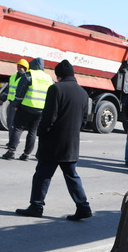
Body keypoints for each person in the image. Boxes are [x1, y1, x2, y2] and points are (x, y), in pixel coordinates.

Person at [15, 59, 92, 220]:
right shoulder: (83, 93)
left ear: (59, 76)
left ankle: (36, 206)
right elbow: (84, 121)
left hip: (52, 142)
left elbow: (49, 117)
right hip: (71, 144)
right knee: (72, 176)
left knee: (42, 175)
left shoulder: (56, 89)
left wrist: (41, 132)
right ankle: (83, 206)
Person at [3, 57, 53, 161]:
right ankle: (26, 155)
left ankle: (11, 152)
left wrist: (16, 105)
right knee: (33, 132)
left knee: (18, 128)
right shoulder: (49, 78)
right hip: (40, 110)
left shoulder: (29, 75)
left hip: (27, 107)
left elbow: (20, 93)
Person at [4, 59, 28, 142]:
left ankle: (13, 141)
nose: (19, 68)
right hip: (12, 103)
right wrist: (2, 99)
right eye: (18, 66)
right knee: (10, 123)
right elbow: (8, 90)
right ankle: (12, 141)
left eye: (21, 67)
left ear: (25, 69)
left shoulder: (26, 78)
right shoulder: (13, 77)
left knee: (15, 124)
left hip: (19, 104)